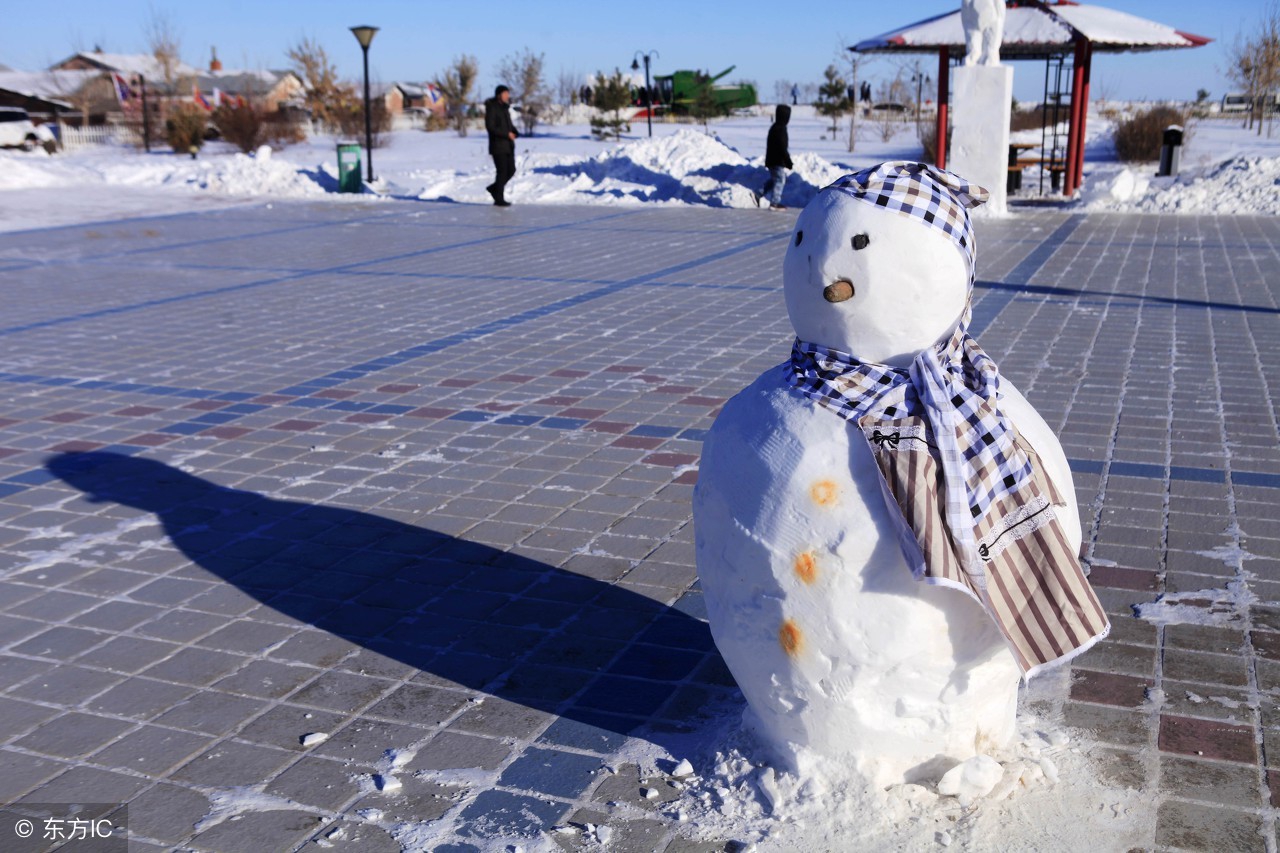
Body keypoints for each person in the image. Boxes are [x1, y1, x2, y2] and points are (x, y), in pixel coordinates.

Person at [484, 85, 519, 206]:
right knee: (502, 171)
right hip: (497, 146)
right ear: (499, 94)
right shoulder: (492, 108)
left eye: (508, 94)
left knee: (511, 170)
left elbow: (508, 125)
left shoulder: (505, 108)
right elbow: (491, 127)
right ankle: (499, 198)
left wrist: (514, 131)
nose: (507, 96)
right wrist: (506, 134)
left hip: (508, 145)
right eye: (505, 94)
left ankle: (494, 188)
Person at [759, 104, 793, 210]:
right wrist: (788, 161)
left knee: (774, 180)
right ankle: (775, 202)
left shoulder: (775, 127)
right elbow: (782, 147)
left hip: (772, 160)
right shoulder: (780, 129)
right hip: (777, 161)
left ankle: (758, 193)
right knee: (780, 180)